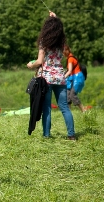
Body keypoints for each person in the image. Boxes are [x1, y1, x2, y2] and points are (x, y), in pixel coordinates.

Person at [27, 11, 76, 140]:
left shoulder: (44, 41)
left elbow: (39, 61)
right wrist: (55, 19)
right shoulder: (62, 43)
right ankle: (71, 135)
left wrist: (30, 65)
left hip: (46, 79)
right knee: (64, 107)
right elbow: (57, 28)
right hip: (60, 77)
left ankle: (46, 135)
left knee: (46, 108)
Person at [63, 45, 88, 112]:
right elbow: (69, 70)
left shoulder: (70, 59)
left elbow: (70, 70)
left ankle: (83, 110)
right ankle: (68, 113)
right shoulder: (69, 58)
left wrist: (63, 77)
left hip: (77, 78)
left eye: (63, 52)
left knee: (72, 94)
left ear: (67, 51)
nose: (63, 54)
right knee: (67, 95)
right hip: (71, 78)